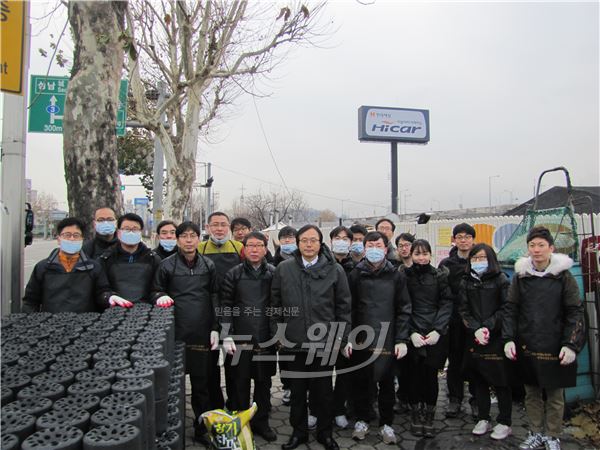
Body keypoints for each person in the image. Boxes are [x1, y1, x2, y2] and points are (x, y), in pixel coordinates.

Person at [503, 226, 585, 450]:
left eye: (541, 245)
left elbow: (575, 311)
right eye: (532, 245)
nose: (536, 250)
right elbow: (511, 309)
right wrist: (509, 338)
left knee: (555, 394)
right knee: (531, 393)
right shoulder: (521, 277)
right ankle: (536, 432)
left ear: (551, 248)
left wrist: (571, 344)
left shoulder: (564, 277)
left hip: (555, 344)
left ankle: (553, 434)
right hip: (528, 341)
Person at [271, 224, 351, 450]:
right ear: (297, 243)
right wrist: (277, 334)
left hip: (324, 343)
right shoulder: (284, 269)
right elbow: (275, 305)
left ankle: (325, 434)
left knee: (323, 393)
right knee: (297, 394)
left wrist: (340, 338)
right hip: (294, 343)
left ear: (320, 243)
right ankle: (299, 434)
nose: (308, 244)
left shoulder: (335, 270)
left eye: (313, 240)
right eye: (304, 240)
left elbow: (343, 308)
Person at [151, 221, 219, 446]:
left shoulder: (208, 265)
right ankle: (171, 429)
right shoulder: (166, 266)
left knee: (202, 385)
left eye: (193, 235)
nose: (189, 240)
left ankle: (202, 428)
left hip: (202, 332)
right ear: (178, 240)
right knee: (173, 385)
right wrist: (159, 295)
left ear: (199, 239)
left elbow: (214, 296)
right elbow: (155, 290)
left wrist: (215, 327)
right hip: (176, 334)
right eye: (184, 236)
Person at [349, 231, 411, 445]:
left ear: (386, 249)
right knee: (362, 382)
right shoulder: (355, 274)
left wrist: (402, 339)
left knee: (386, 382)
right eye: (370, 245)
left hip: (389, 336)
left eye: (378, 245)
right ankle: (362, 420)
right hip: (361, 337)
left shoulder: (396, 275)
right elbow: (349, 307)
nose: (374, 249)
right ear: (364, 249)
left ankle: (387, 423)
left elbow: (404, 308)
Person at [220, 231, 277, 442]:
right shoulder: (233, 274)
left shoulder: (273, 273)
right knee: (239, 383)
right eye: (250, 245)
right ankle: (240, 422)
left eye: (259, 245)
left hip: (265, 337)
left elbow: (277, 306)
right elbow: (226, 306)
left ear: (265, 249)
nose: (254, 249)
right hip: (239, 337)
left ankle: (261, 422)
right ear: (244, 249)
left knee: (264, 384)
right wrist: (226, 334)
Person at [458, 244, 513, 440]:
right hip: (474, 336)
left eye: (482, 258)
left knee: (501, 381)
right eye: (475, 258)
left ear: (491, 259)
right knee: (478, 378)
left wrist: (488, 327)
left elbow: (506, 308)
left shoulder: (501, 280)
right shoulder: (466, 282)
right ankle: (483, 417)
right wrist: (475, 328)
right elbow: (463, 310)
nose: (478, 262)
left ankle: (505, 421)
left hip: (496, 337)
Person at [404, 239, 453, 438]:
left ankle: (430, 414)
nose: (421, 258)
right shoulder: (404, 276)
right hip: (412, 332)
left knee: (431, 376)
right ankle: (416, 412)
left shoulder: (440, 276)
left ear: (430, 255)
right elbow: (402, 305)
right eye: (417, 254)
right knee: (413, 376)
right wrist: (410, 332)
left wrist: (438, 330)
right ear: (411, 255)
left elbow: (446, 302)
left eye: (425, 254)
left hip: (434, 334)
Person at [198, 212, 244, 409]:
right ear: (208, 228)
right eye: (215, 225)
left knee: (234, 363)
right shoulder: (200, 249)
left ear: (229, 228)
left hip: (234, 313)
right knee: (209, 366)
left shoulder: (239, 248)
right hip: (207, 311)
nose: (219, 229)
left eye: (223, 225)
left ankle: (235, 404)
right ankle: (214, 406)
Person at [22, 217, 112, 313]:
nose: (72, 239)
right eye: (67, 235)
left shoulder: (93, 267)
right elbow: (30, 301)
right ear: (59, 239)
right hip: (50, 324)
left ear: (82, 239)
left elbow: (102, 293)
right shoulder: (43, 268)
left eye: (76, 235)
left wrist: (109, 297)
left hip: (84, 324)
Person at [438, 222, 477, 418]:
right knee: (454, 361)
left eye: (467, 236)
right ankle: (454, 399)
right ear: (454, 240)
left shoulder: (480, 261)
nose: (463, 240)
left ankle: (477, 400)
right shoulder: (446, 265)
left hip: (475, 322)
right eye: (459, 236)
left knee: (475, 360)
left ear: (473, 239)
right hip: (453, 321)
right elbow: (441, 293)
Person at [99, 213, 161, 306]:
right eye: (127, 229)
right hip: (114, 311)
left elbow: (157, 288)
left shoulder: (153, 259)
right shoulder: (106, 259)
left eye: (135, 229)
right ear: (119, 233)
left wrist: (159, 296)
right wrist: (109, 297)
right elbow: (100, 289)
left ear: (141, 232)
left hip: (146, 311)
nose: (131, 232)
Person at [328, 226, 355, 429]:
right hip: (323, 328)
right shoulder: (322, 265)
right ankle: (317, 410)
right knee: (321, 374)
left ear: (351, 243)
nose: (341, 241)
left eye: (346, 239)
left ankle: (338, 410)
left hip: (348, 328)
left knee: (344, 373)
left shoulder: (357, 268)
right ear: (330, 241)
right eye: (338, 238)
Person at [271, 225, 297, 407]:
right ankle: (287, 387)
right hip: (283, 315)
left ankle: (303, 388)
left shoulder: (303, 260)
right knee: (285, 355)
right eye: (284, 238)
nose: (288, 241)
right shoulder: (274, 262)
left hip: (301, 315)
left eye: (291, 237)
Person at [394, 232, 415, 413]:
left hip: (418, 323)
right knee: (400, 365)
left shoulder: (421, 266)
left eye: (407, 244)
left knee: (414, 365)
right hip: (400, 322)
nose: (404, 248)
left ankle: (414, 399)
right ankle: (402, 397)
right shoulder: (395, 269)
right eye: (400, 245)